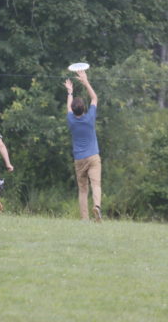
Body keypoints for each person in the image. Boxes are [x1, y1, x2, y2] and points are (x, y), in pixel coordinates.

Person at [64, 70, 102, 222]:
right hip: (93, 156)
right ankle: (97, 206)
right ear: (84, 108)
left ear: (73, 111)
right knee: (96, 184)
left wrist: (70, 92)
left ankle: (85, 219)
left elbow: (68, 107)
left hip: (79, 159)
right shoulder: (90, 118)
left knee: (83, 190)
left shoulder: (71, 120)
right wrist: (85, 81)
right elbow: (94, 98)